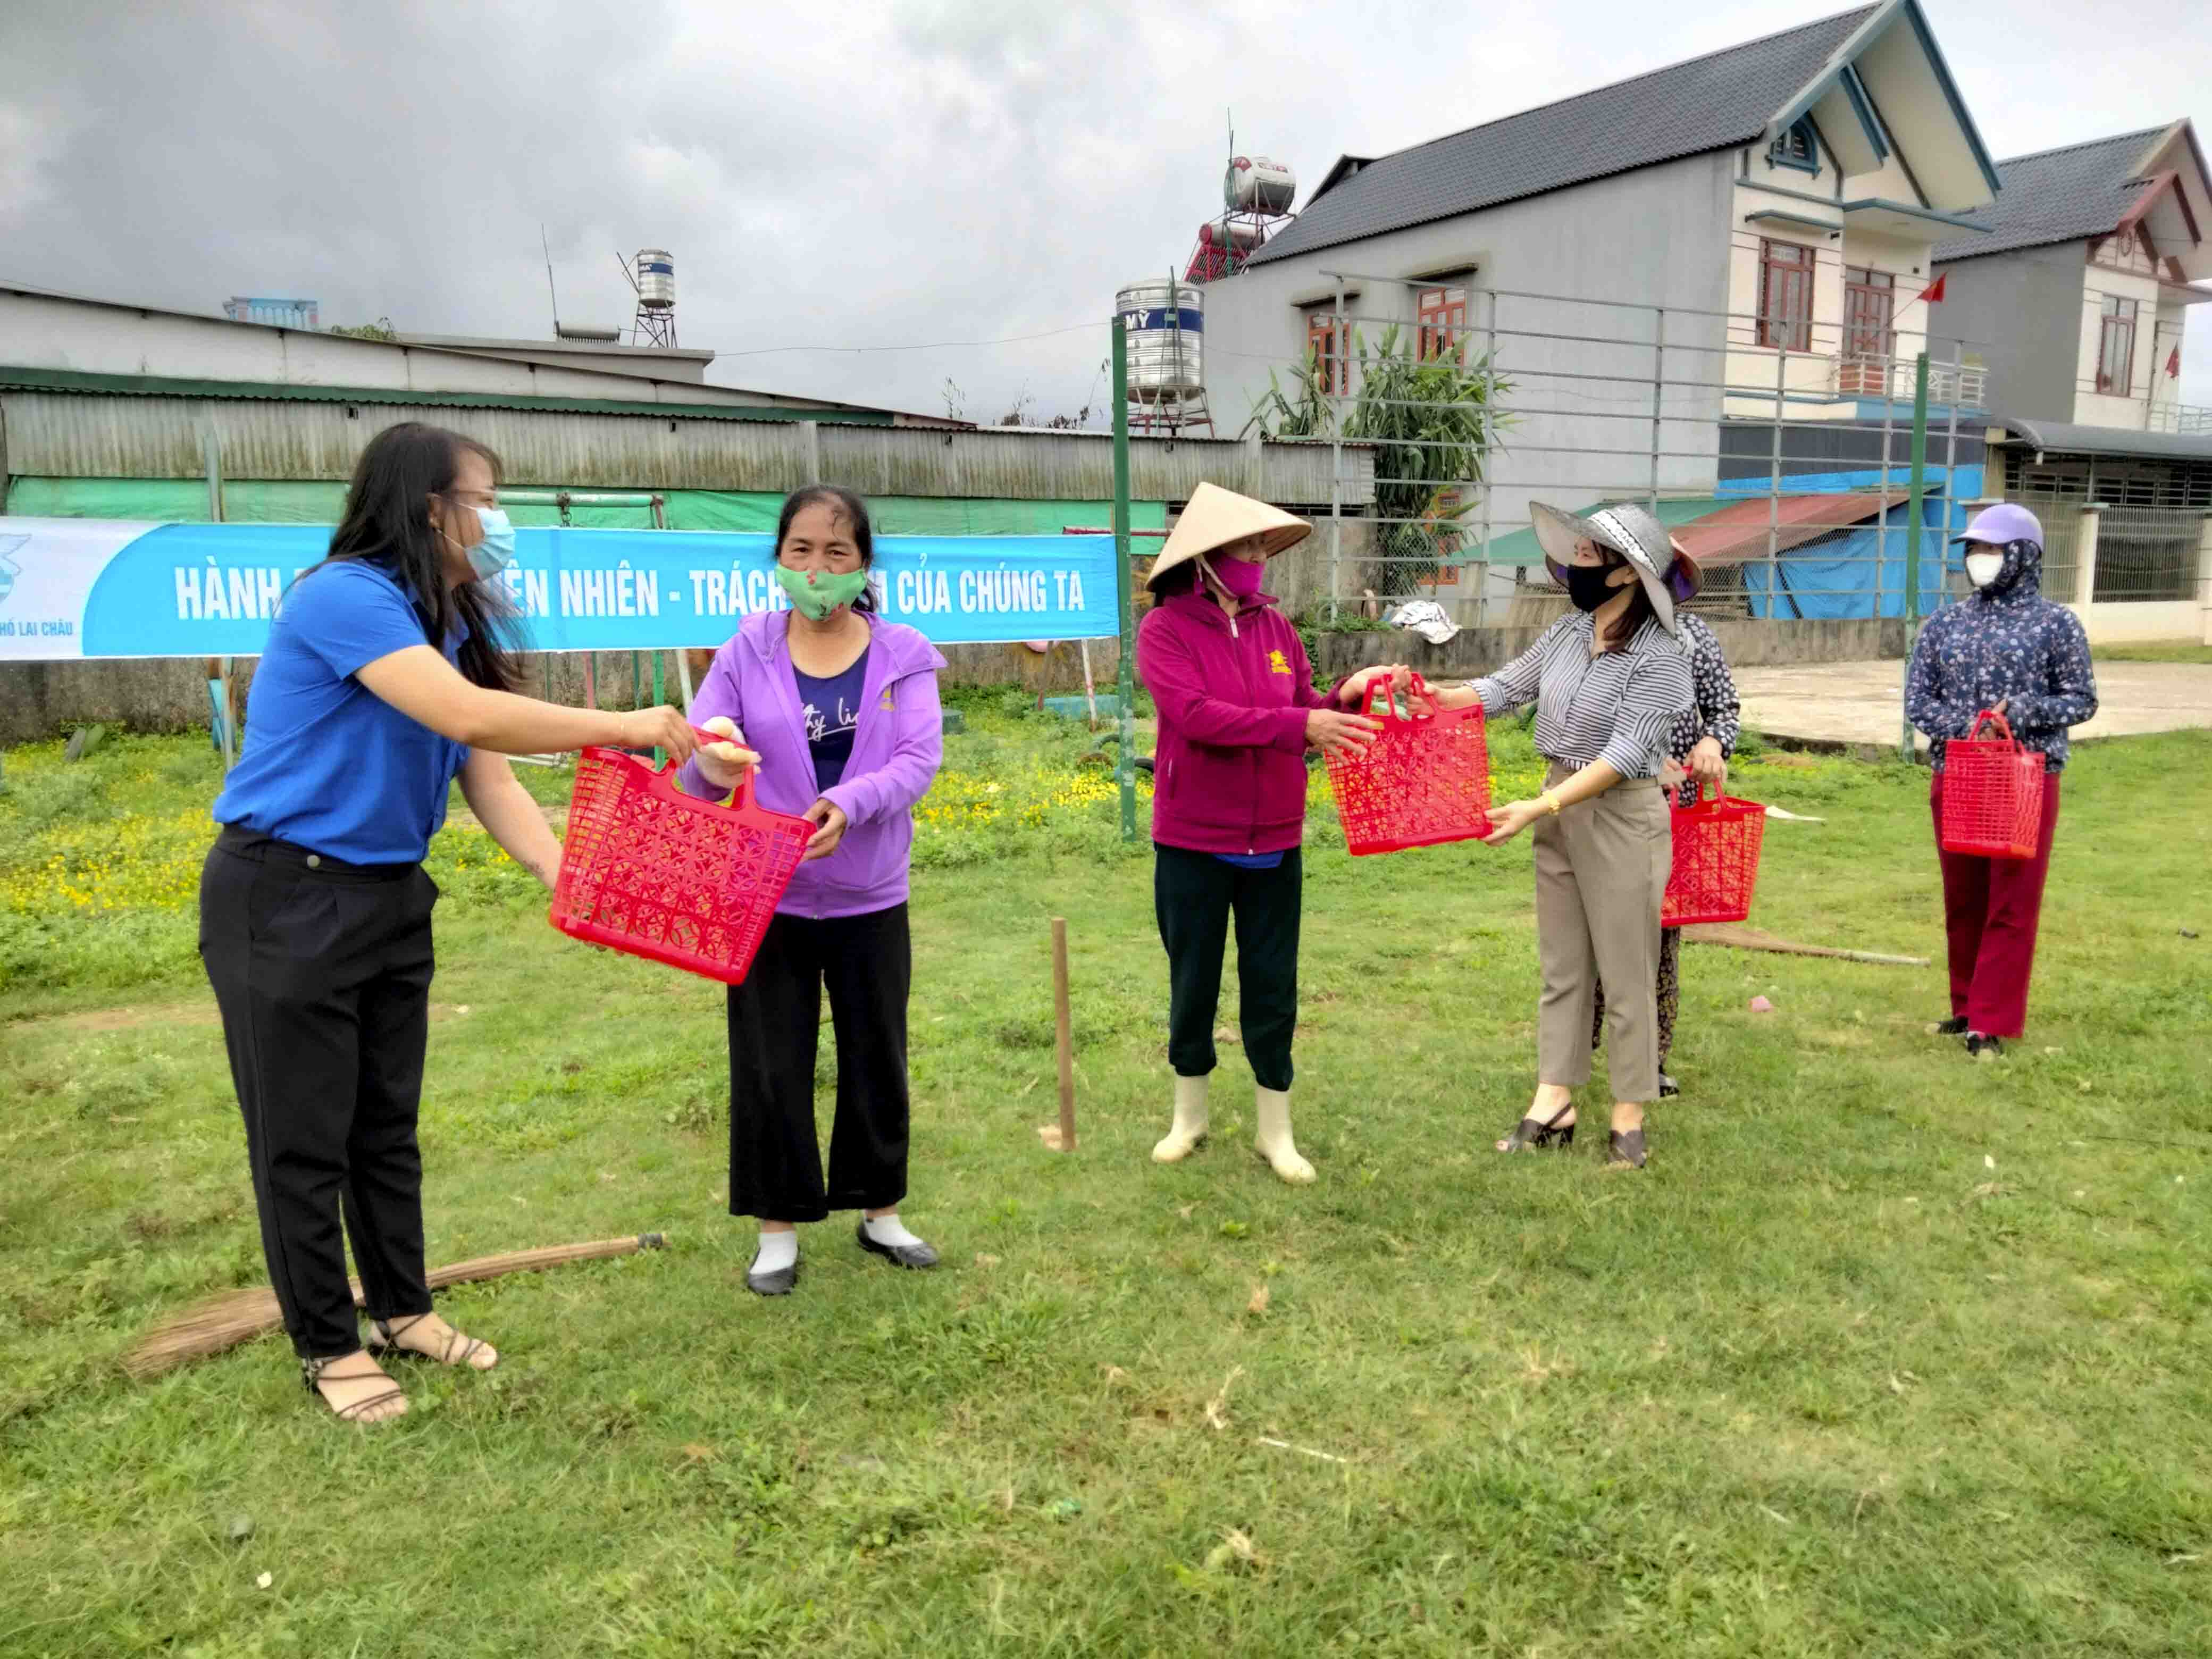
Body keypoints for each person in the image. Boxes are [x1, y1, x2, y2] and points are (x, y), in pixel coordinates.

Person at [200, 422, 702, 1423]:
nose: (495, 518)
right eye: (484, 496)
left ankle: (401, 1309)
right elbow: (471, 718)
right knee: (304, 1138)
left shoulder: (447, 620)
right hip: (285, 892)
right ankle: (328, 1347)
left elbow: (486, 771)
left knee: (384, 1127)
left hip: (388, 892)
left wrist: (566, 875)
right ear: (430, 504)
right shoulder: (345, 597)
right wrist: (632, 726)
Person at [678, 486, 947, 1295]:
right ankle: (777, 1230)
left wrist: (847, 803)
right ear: (778, 559)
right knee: (770, 1062)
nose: (818, 569)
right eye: (801, 550)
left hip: (871, 893)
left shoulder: (903, 654)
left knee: (877, 1053)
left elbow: (917, 760)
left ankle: (880, 1211)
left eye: (837, 553)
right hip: (768, 897)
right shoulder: (744, 651)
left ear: (863, 563)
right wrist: (713, 762)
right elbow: (701, 756)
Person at [1135, 482, 1404, 1184]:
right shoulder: (1165, 628)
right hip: (1193, 839)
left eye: (1262, 544)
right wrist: (1301, 724)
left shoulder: (1277, 629)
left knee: (1273, 985)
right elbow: (1196, 715)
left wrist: (1343, 695)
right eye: (1248, 544)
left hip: (1275, 840)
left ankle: (1274, 1131)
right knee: (1192, 981)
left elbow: (1305, 708)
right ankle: (1188, 1117)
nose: (1260, 556)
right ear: (1209, 554)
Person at [1422, 502, 1695, 1168]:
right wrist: (1423, 693)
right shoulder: (1567, 633)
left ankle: (1628, 1116)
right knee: (1562, 965)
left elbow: (1627, 754)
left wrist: (1538, 808)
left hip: (1620, 816)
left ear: (1627, 573)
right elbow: (1499, 689)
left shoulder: (1664, 655)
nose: (1572, 562)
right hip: (1557, 804)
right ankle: (1553, 1102)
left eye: (1587, 554)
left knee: (1626, 972)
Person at [1905, 502, 2097, 1060]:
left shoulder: (2055, 624)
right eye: (1972, 551)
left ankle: (1991, 1020)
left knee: (2011, 900)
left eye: (1990, 550)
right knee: (1962, 895)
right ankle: (1965, 1004)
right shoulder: (1944, 623)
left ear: (2022, 556)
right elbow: (1918, 701)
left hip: (2026, 779)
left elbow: (2080, 700)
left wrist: (2019, 714)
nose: (1978, 560)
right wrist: (1971, 726)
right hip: (1957, 774)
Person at [1590, 600, 1739, 1097]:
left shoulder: (1692, 635)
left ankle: (1648, 1058)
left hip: (1673, 805)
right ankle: (1578, 1043)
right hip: (1601, 795)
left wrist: (1713, 745)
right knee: (1592, 926)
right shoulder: (1597, 629)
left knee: (1658, 933)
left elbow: (1723, 710)